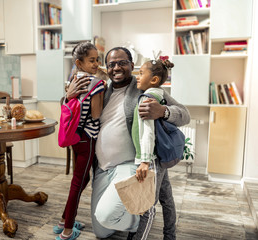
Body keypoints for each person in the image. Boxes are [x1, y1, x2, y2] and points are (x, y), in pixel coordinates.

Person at [66, 47, 190, 240]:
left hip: (128, 166)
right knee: (101, 230)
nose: (116, 67)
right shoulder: (102, 88)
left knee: (107, 216)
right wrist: (68, 96)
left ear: (132, 65)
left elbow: (184, 114)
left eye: (122, 62)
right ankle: (134, 212)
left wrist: (163, 111)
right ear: (106, 68)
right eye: (111, 64)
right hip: (103, 169)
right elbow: (75, 111)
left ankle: (143, 215)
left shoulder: (143, 88)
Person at [53, 42, 106, 240]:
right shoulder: (96, 83)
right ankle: (67, 231)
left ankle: (63, 220)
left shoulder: (74, 79)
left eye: (97, 59)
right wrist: (103, 91)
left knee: (82, 179)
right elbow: (96, 113)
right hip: (89, 138)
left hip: (76, 137)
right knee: (77, 182)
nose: (96, 63)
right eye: (91, 60)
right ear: (79, 62)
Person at [132, 56, 176, 240]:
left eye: (141, 73)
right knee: (166, 200)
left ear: (154, 79)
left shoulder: (148, 100)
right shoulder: (158, 96)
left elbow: (148, 133)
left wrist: (144, 161)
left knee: (147, 208)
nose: (137, 76)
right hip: (158, 160)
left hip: (151, 161)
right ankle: (170, 236)